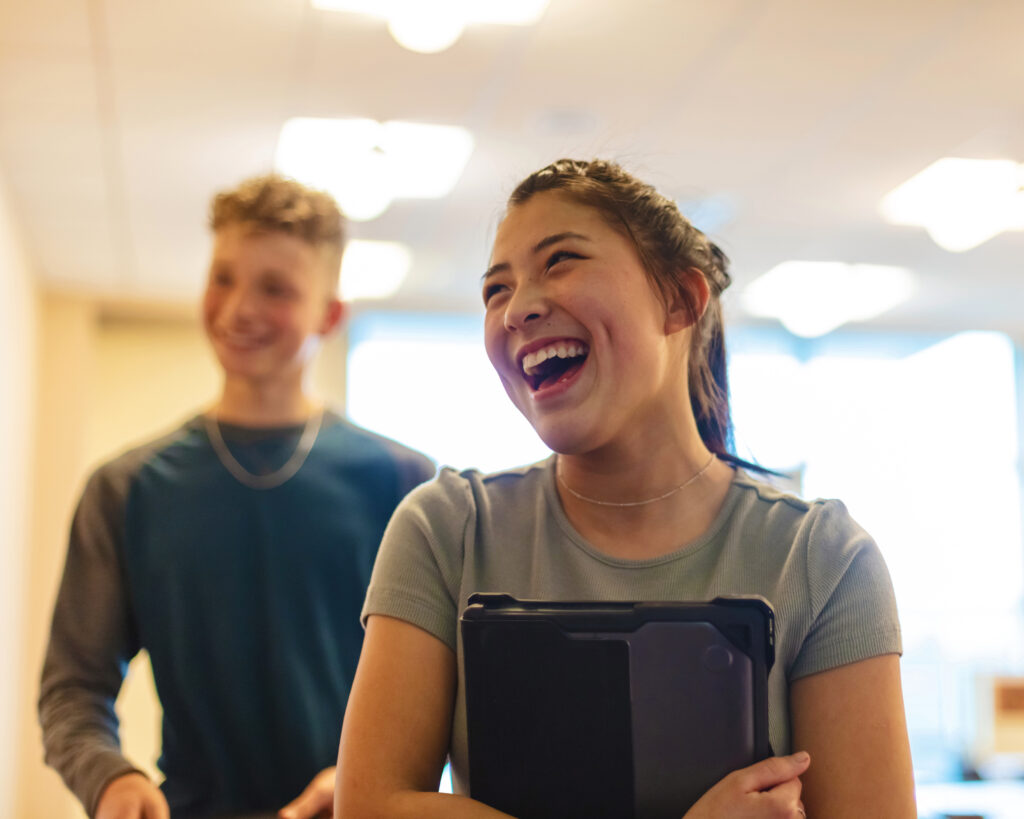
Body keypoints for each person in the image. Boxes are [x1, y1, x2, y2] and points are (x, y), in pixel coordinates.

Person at [335, 159, 917, 818]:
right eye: (496, 289)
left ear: (680, 300)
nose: (518, 308)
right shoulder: (448, 530)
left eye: (560, 261)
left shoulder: (822, 559)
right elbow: (370, 808)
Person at [39, 174, 435, 819]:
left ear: (329, 315)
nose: (239, 308)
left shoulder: (405, 485)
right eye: (223, 278)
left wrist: (364, 778)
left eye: (275, 288)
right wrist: (110, 779)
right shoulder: (126, 488)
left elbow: (448, 689)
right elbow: (72, 689)